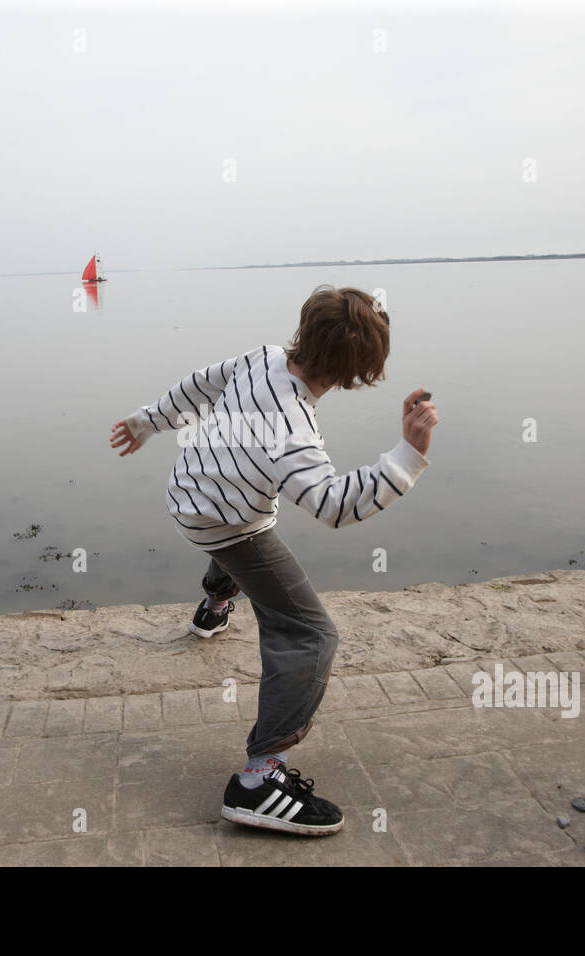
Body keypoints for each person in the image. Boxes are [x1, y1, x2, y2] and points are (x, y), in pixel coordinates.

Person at [109, 284, 438, 836]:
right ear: (355, 371)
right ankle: (259, 780)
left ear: (306, 330)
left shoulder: (262, 359)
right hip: (228, 523)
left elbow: (199, 384)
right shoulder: (294, 429)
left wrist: (147, 422)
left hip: (189, 494)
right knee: (311, 634)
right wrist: (409, 454)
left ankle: (214, 604)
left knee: (249, 536)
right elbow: (334, 506)